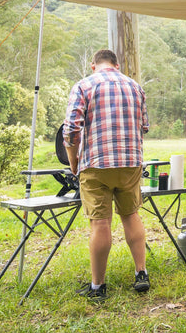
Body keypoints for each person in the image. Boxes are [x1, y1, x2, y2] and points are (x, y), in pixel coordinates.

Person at [63, 49, 150, 301]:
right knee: (131, 215)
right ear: (117, 64)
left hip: (95, 164)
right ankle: (141, 274)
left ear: (93, 66)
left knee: (100, 223)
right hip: (130, 163)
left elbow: (70, 130)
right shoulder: (135, 87)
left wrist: (73, 161)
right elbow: (143, 127)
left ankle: (98, 287)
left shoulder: (83, 86)